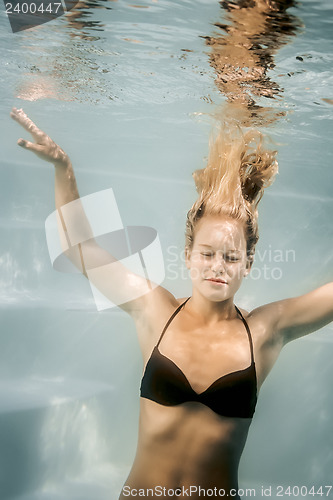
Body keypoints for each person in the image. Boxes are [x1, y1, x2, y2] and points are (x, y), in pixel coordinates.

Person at [10, 107, 333, 499]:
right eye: (207, 253)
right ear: (187, 255)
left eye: (231, 257)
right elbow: (80, 251)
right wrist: (64, 168)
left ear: (248, 263)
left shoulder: (265, 330)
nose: (218, 267)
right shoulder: (155, 309)